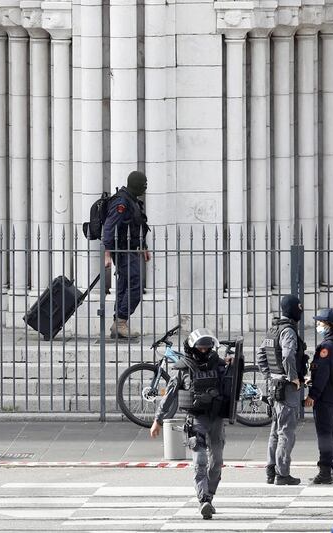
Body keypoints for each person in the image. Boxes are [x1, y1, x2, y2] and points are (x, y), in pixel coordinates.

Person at [150, 328, 231, 520]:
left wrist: (234, 366)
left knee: (217, 462)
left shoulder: (218, 365)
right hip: (197, 420)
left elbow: (232, 387)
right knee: (200, 461)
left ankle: (209, 496)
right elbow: (169, 397)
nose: (204, 352)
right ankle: (203, 499)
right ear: (193, 348)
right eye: (200, 348)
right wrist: (157, 420)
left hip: (216, 419)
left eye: (207, 348)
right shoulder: (182, 368)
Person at [256, 294, 308, 485]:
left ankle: (271, 470)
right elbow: (287, 355)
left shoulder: (273, 330)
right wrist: (293, 377)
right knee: (286, 432)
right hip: (286, 387)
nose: (301, 310)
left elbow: (261, 355)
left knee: (275, 430)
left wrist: (269, 375)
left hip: (274, 386)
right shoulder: (288, 331)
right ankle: (283, 474)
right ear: (293, 309)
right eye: (299, 307)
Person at [102, 171, 151, 338]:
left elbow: (137, 225)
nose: (145, 187)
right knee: (135, 285)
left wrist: (143, 246)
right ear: (136, 184)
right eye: (143, 184)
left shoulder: (131, 200)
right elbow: (109, 227)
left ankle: (118, 324)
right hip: (123, 251)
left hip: (130, 249)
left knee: (125, 285)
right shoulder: (122, 202)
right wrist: (107, 254)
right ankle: (121, 321)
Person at [305, 308, 333, 484]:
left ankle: (324, 472)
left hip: (326, 395)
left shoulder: (326, 347)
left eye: (320, 322)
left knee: (325, 434)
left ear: (329, 325)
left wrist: (313, 395)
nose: (317, 325)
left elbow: (322, 373)